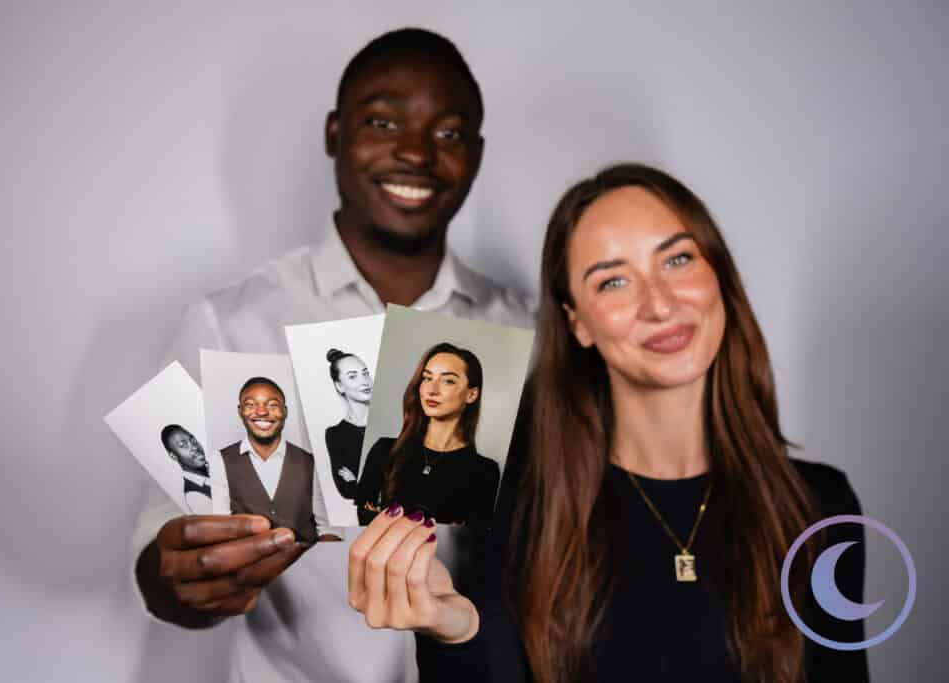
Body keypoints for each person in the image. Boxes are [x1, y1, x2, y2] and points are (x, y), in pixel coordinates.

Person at [347, 163, 869, 682]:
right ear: (577, 323)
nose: (660, 304)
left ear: (721, 278)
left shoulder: (820, 506)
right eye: (613, 281)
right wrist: (454, 633)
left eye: (678, 259)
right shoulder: (524, 506)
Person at [129, 27, 532, 683]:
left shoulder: (530, 331)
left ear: (477, 156)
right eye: (382, 120)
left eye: (449, 133)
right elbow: (161, 560)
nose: (415, 152)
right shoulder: (228, 325)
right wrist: (183, 578)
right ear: (333, 132)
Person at [356, 342, 499, 527]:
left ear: (471, 395)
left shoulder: (484, 472)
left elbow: (470, 545)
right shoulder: (385, 450)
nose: (432, 390)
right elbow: (361, 521)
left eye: (448, 381)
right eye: (427, 378)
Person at [219, 377, 318, 543]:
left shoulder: (311, 462)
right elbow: (220, 528)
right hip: (246, 565)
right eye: (251, 405)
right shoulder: (220, 460)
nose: (262, 412)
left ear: (285, 411)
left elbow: (328, 530)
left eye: (273, 405)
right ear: (240, 411)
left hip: (307, 562)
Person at [324, 348, 372, 500]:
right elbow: (346, 491)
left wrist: (356, 480)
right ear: (339, 386)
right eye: (352, 377)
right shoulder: (335, 434)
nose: (364, 381)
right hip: (367, 519)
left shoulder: (391, 421)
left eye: (365, 373)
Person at [160, 424, 213, 514]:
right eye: (183, 445)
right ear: (173, 456)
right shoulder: (195, 496)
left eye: (193, 440)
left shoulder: (214, 468)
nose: (194, 447)